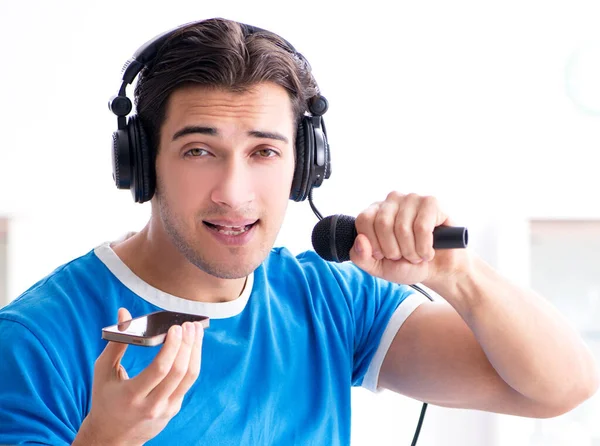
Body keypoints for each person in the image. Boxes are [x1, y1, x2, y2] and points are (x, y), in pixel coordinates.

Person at [0, 17, 597, 446]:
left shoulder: (328, 300)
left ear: (304, 168)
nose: (233, 193)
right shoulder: (34, 340)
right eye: (199, 150)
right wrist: (105, 443)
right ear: (141, 162)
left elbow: (561, 388)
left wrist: (459, 278)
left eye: (263, 152)